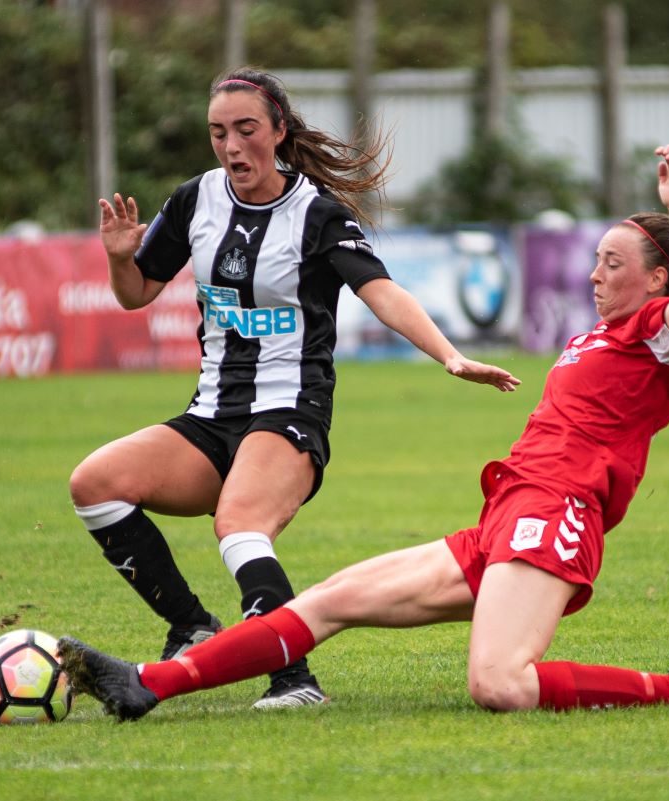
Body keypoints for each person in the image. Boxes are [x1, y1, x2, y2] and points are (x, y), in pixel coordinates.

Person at [59, 144, 669, 720]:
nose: (595, 274)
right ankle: (148, 682)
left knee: (499, 683)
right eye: (596, 262)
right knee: (330, 599)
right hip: (505, 516)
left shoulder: (657, 334)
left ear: (655, 274)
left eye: (610, 262)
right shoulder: (593, 337)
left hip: (555, 516)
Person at [68, 66, 520, 709]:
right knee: (94, 484)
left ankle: (295, 678)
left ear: (278, 131)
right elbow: (136, 293)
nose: (231, 146)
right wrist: (120, 258)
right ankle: (191, 626)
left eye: (246, 129)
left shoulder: (316, 215)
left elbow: (382, 292)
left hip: (289, 412)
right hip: (211, 414)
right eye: (218, 133)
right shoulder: (196, 199)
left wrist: (449, 356)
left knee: (239, 523)